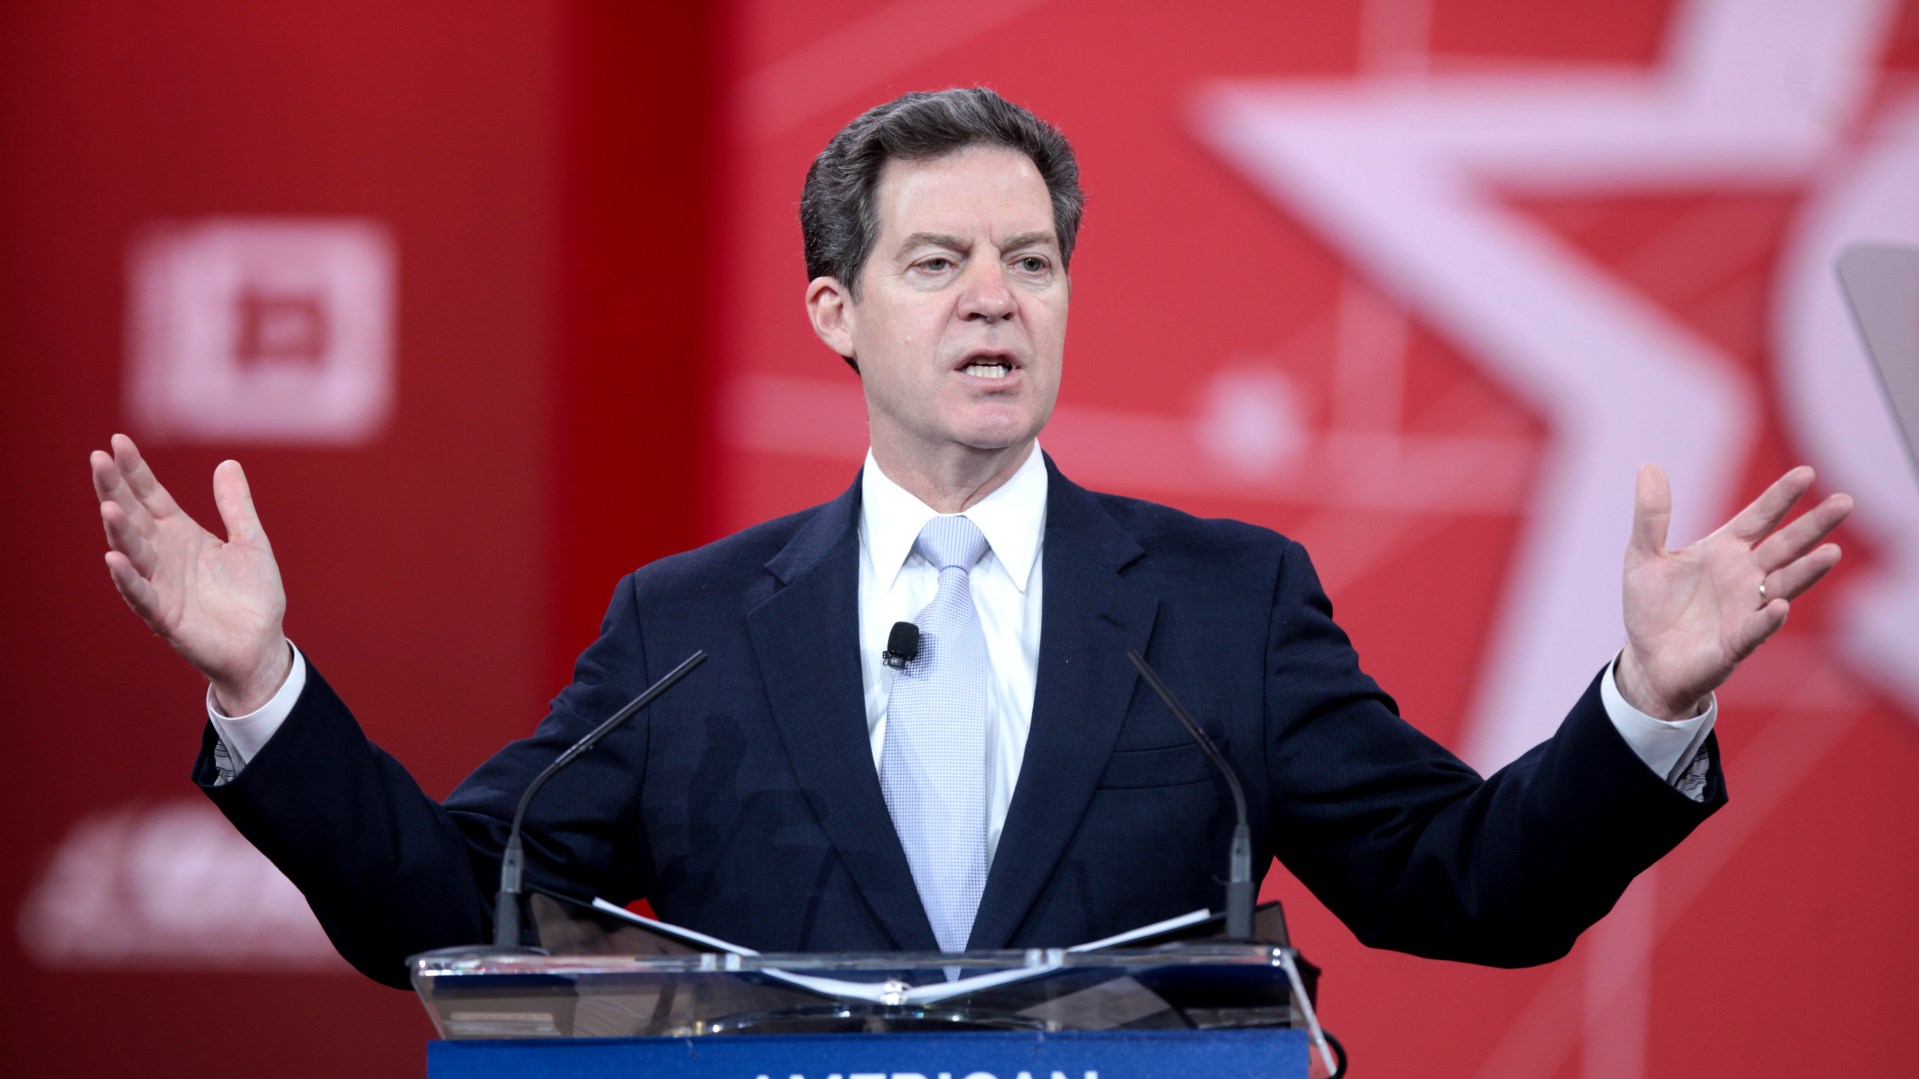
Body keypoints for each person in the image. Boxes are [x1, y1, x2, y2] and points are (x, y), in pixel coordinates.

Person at [91, 88, 1852, 990]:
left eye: (1036, 260)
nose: (997, 300)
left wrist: (1642, 702)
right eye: (939, 262)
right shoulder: (688, 629)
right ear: (838, 312)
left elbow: (1473, 893)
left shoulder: (1226, 608)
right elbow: (447, 920)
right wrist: (265, 687)